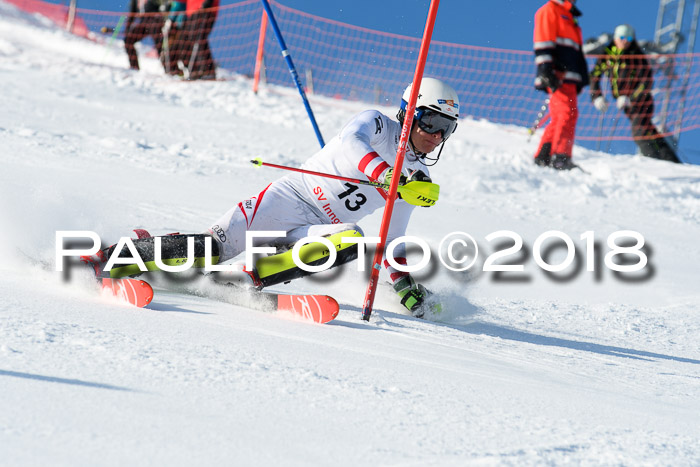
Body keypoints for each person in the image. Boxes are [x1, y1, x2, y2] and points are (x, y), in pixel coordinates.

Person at [98, 78, 460, 318]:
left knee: (351, 239)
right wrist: (385, 174)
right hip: (286, 200)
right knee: (207, 250)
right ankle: (112, 256)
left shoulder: (419, 180)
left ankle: (246, 279)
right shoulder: (378, 125)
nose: (435, 135)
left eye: (446, 129)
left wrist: (402, 282)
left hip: (316, 229)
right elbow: (352, 144)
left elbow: (393, 237)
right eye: (430, 121)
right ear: (409, 112)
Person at [590, 24, 680, 163]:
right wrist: (597, 96)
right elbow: (595, 75)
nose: (625, 41)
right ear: (615, 38)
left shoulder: (636, 55)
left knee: (640, 131)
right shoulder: (608, 55)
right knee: (649, 131)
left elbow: (646, 82)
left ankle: (655, 162)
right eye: (622, 37)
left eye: (629, 38)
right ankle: (672, 163)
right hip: (627, 105)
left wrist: (630, 97)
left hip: (642, 102)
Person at [532, 0, 589, 170]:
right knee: (566, 113)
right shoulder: (550, 10)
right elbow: (543, 39)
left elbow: (575, 50)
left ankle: (544, 155)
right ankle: (560, 156)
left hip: (570, 77)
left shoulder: (570, 15)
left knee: (564, 115)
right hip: (557, 75)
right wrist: (546, 68)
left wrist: (581, 78)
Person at [178, 0, 219, 80]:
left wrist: (208, 2)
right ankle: (195, 71)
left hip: (205, 9)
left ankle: (208, 71)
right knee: (188, 40)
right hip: (191, 12)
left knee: (199, 38)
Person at [124, 0, 166, 71]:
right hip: (143, 22)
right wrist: (127, 28)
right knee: (128, 40)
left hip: (154, 20)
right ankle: (134, 67)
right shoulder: (135, 1)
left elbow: (163, 5)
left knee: (159, 44)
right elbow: (132, 13)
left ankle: (169, 69)